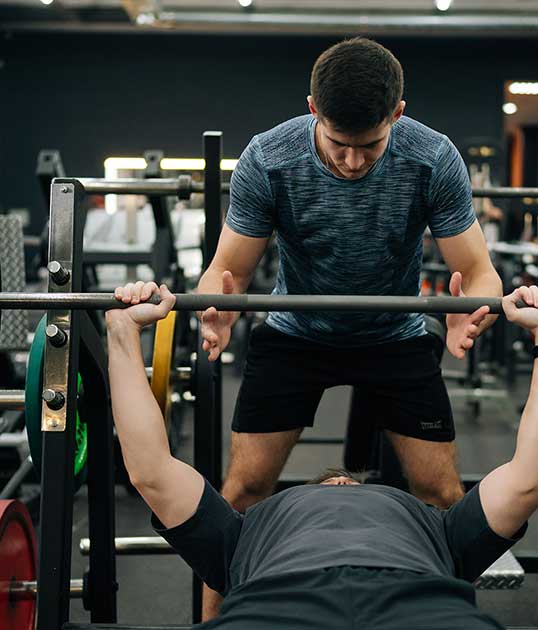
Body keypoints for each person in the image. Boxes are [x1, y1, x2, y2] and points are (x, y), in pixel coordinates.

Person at [194, 37, 502, 616]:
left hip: (396, 335)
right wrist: (221, 313)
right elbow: (228, 269)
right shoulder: (269, 156)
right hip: (296, 334)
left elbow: (477, 270)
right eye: (339, 144)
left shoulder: (432, 156)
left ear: (397, 115)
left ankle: (452, 616)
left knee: (443, 496)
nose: (353, 161)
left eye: (370, 146)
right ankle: (215, 623)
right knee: (241, 492)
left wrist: (473, 313)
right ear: (313, 108)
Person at [106, 281, 538, 630]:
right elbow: (530, 477)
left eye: (340, 479)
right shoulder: (437, 528)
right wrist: (121, 331)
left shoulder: (245, 532)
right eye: (344, 479)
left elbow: (153, 472)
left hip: (293, 606)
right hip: (397, 605)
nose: (344, 482)